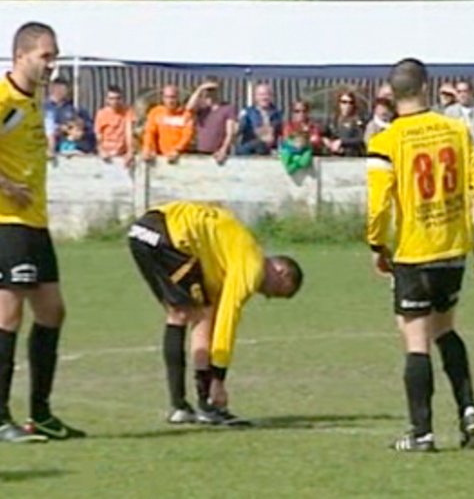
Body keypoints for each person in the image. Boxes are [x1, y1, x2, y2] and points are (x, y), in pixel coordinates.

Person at [367, 58, 474, 452]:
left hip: (414, 250)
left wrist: (376, 244)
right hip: (454, 248)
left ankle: (421, 432)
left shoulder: (385, 141)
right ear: (426, 86)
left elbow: (378, 204)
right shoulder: (456, 129)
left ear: (390, 93)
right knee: (446, 329)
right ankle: (469, 410)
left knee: (416, 339)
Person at [127, 201, 303, 424]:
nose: (267, 296)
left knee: (193, 313)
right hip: (168, 236)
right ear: (282, 272)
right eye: (277, 291)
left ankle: (194, 403)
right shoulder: (252, 268)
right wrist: (219, 379)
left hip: (144, 229)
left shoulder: (232, 254)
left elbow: (216, 314)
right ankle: (189, 405)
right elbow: (228, 320)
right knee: (188, 314)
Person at [0, 22, 85, 443]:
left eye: (54, 56)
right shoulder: (4, 99)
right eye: (46, 56)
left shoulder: (34, 103)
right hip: (5, 222)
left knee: (52, 311)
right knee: (8, 312)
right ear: (21, 55)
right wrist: (6, 186)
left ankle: (42, 414)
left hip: (35, 222)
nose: (51, 64)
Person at [95, 86, 135, 167]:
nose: (115, 101)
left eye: (117, 98)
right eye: (111, 98)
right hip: (106, 154)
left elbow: (129, 133)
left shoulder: (128, 112)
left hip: (122, 153)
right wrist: (101, 151)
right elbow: (99, 135)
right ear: (107, 100)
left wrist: (130, 151)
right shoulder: (102, 114)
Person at [327, 91, 367, 157]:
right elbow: (324, 133)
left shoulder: (357, 121)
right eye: (344, 102)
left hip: (351, 157)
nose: (347, 105)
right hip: (334, 157)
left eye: (350, 102)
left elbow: (360, 138)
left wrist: (342, 141)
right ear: (339, 103)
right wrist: (328, 143)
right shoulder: (333, 120)